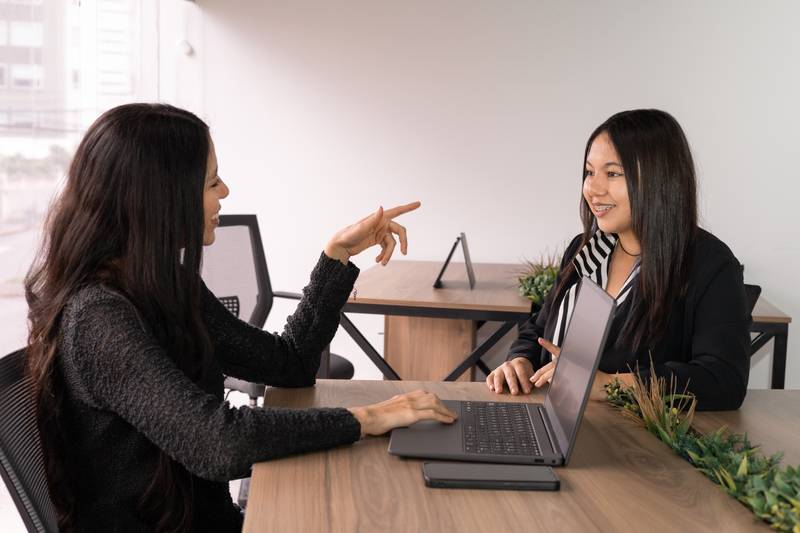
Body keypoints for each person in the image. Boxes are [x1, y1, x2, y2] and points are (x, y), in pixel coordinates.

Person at [24, 103, 456, 533]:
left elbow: (289, 364)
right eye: (212, 181)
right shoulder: (98, 318)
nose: (225, 191)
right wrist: (366, 419)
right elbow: (218, 443)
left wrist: (336, 258)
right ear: (161, 195)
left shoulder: (167, 284)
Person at [486, 109, 750, 411]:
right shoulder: (585, 249)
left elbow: (724, 379)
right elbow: (539, 329)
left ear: (659, 179)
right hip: (556, 420)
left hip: (633, 448)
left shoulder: (710, 265)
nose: (593, 189)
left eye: (613, 173)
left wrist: (611, 385)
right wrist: (519, 360)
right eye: (589, 172)